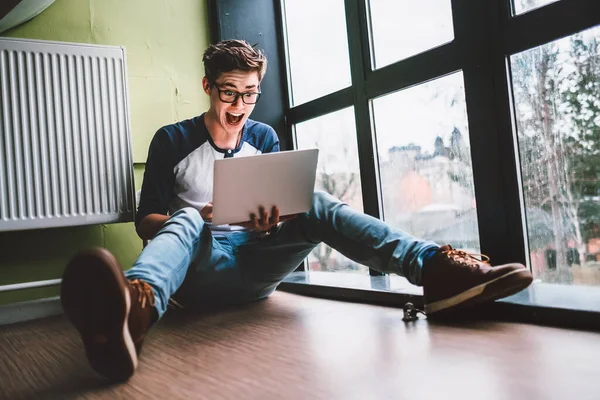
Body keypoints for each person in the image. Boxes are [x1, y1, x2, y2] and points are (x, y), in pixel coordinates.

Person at [60, 39, 533, 381]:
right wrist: (203, 217)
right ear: (208, 86)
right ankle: (135, 311)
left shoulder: (264, 138)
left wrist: (273, 221)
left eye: (250, 94)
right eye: (229, 92)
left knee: (316, 201)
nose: (239, 106)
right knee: (184, 218)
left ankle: (432, 268)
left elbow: (288, 210)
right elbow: (146, 222)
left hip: (257, 263)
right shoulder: (172, 140)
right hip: (198, 268)